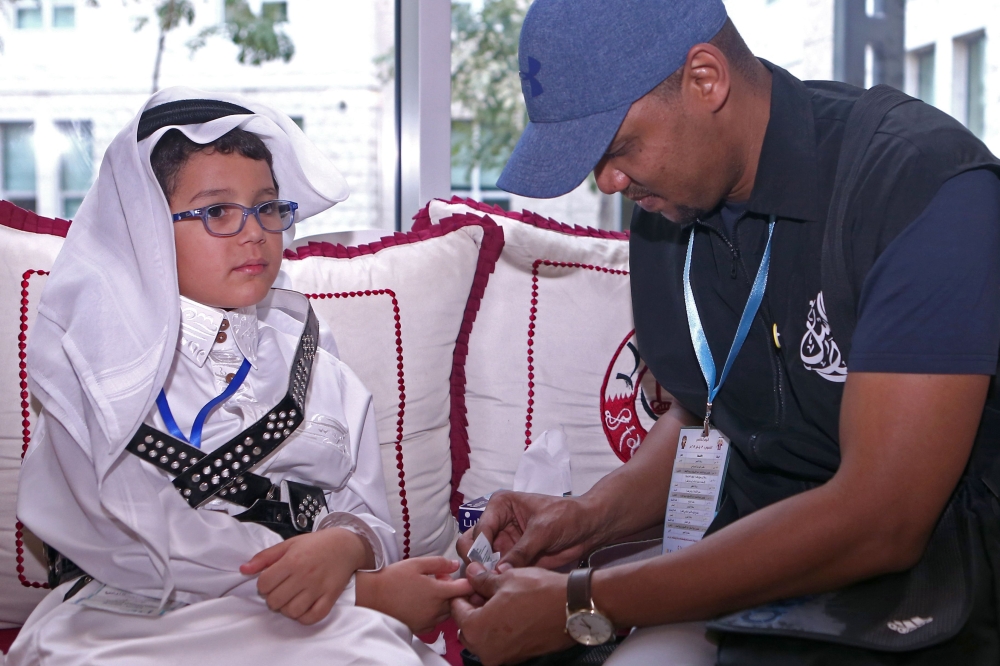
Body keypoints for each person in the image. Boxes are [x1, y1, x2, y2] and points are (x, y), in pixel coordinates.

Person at [452, 1, 1000, 664]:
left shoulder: (921, 188)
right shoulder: (670, 207)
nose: (609, 181)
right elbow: (708, 408)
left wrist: (586, 602)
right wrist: (589, 519)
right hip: (743, 590)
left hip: (925, 603)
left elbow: (882, 521)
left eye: (617, 149)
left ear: (706, 79)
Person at [8, 89, 471, 666]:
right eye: (217, 212)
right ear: (146, 231)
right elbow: (125, 535)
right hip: (125, 619)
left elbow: (367, 508)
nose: (254, 231)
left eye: (268, 207)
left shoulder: (317, 363)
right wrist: (359, 592)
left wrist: (345, 543)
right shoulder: (96, 364)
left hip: (313, 615)